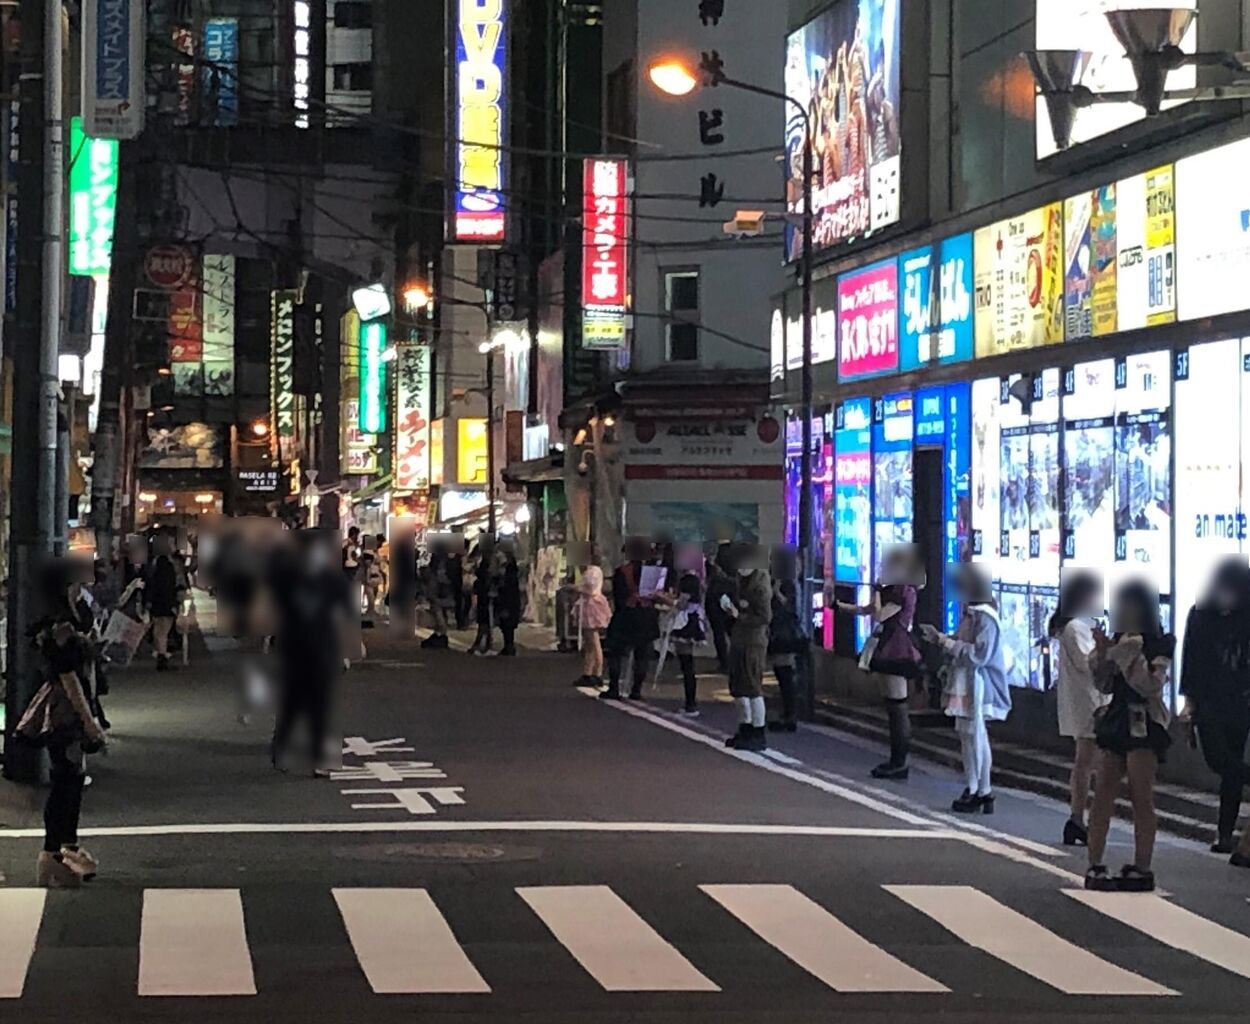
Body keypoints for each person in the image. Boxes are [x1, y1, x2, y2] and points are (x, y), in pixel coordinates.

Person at [17, 558, 108, 887]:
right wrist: (89, 721)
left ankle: (65, 850)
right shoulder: (60, 627)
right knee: (66, 782)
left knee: (70, 780)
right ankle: (53, 853)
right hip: (65, 711)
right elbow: (68, 677)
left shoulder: (64, 619)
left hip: (65, 707)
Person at [1084, 580, 1174, 892]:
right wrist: (1102, 654)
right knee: (1103, 793)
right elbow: (1104, 685)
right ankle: (1095, 863)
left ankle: (1142, 866)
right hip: (1117, 718)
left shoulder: (1159, 644)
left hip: (1145, 723)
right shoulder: (1118, 640)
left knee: (1141, 796)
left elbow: (1150, 685)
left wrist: (1124, 655)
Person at [921, 564, 1011, 813]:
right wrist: (943, 639)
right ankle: (976, 788)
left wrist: (945, 642)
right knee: (967, 734)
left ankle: (982, 790)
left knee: (975, 734)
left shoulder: (985, 617)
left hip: (978, 682)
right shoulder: (975, 614)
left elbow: (979, 654)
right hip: (966, 681)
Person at [1180, 558, 1250, 854]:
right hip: (1210, 700)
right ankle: (1225, 833)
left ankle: (1224, 834)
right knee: (1219, 761)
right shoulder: (1200, 615)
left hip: (1242, 700)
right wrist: (1189, 704)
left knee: (1230, 767)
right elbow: (1191, 659)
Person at [269, 530, 351, 776]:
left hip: (320, 648)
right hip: (294, 648)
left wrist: (345, 649)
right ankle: (283, 749)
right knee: (292, 703)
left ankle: (318, 757)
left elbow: (343, 616)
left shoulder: (333, 580)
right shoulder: (286, 577)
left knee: (319, 704)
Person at [841, 548, 923, 778]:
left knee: (898, 706)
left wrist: (877, 589)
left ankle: (900, 762)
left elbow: (880, 614)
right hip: (888, 643)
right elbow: (869, 610)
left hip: (896, 646)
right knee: (892, 705)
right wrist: (841, 607)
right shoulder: (895, 589)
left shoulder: (903, 590)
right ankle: (896, 759)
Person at [1050, 569, 1108, 847]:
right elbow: (1088, 665)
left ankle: (1079, 818)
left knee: (1087, 761)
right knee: (1087, 761)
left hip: (1089, 700)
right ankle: (1078, 817)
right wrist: (1104, 649)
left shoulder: (1078, 626)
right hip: (1089, 702)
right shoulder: (1075, 628)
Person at [724, 546, 773, 751]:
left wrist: (739, 616)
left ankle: (758, 732)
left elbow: (765, 617)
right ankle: (745, 727)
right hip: (739, 638)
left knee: (752, 687)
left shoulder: (760, 584)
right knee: (738, 686)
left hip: (753, 641)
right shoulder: (740, 581)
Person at [601, 539, 660, 701]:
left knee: (616, 652)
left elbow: (619, 597)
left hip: (626, 615)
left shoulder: (622, 571)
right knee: (642, 655)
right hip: (647, 616)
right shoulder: (654, 572)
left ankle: (614, 688)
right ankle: (636, 690)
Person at [767, 548, 803, 732]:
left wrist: (777, 593)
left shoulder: (789, 583)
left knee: (785, 675)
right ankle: (787, 713)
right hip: (779, 632)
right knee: (782, 674)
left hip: (786, 634)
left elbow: (792, 608)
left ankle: (790, 716)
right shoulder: (783, 581)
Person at [665, 570, 708, 716]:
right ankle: (690, 703)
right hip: (693, 621)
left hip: (686, 623)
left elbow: (682, 604)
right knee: (687, 665)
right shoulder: (697, 580)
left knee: (687, 666)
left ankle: (691, 704)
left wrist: (668, 601)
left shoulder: (688, 580)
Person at [146, 534, 181, 671]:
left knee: (158, 630)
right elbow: (169, 585)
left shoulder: (154, 563)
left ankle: (161, 656)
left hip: (156, 601)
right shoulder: (167, 565)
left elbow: (151, 583)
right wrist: (174, 603)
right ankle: (162, 658)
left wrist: (148, 600)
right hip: (166, 601)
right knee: (164, 631)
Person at [573, 564, 611, 688]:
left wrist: (577, 588)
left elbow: (590, 588)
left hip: (592, 606)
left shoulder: (593, 571)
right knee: (590, 643)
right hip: (589, 605)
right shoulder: (592, 570)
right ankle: (588, 672)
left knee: (593, 642)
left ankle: (596, 672)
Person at [704, 546, 734, 672]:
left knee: (719, 633)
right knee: (731, 631)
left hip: (715, 598)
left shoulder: (713, 566)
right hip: (730, 597)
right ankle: (734, 660)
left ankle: (724, 662)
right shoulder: (735, 559)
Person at [468, 539, 496, 654]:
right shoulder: (487, 560)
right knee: (484, 619)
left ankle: (481, 643)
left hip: (484, 593)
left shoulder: (487, 562)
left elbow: (484, 576)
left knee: (484, 618)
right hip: (484, 592)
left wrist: (476, 570)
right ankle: (484, 642)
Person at [495, 544, 522, 657]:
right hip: (509, 598)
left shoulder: (509, 568)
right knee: (506, 624)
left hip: (508, 599)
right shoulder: (510, 567)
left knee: (507, 623)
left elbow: (508, 584)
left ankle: (509, 646)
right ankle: (508, 646)